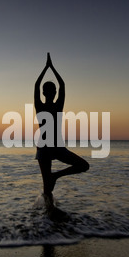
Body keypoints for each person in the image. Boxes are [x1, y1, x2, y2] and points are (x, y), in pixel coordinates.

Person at [34, 53, 89, 200]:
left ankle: (55, 176)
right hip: (47, 147)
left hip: (55, 146)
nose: (52, 92)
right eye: (51, 90)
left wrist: (48, 68)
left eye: (53, 90)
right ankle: (48, 218)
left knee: (83, 165)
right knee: (47, 189)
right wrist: (50, 67)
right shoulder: (47, 106)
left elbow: (39, 86)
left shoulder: (49, 106)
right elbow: (41, 86)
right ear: (48, 92)